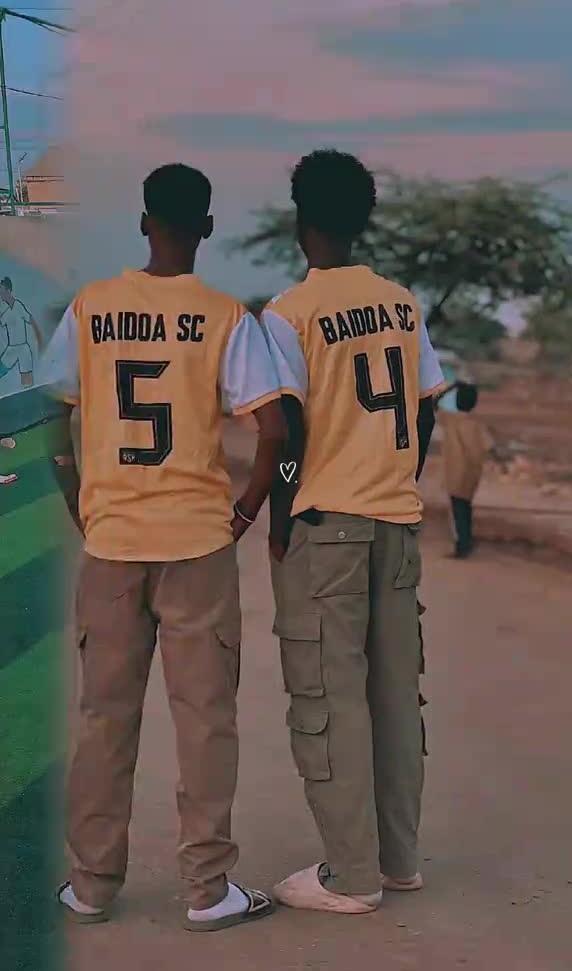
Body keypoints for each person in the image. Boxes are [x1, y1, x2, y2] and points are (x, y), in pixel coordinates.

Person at [41, 163, 286, 931]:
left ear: (144, 222)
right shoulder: (224, 317)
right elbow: (275, 432)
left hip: (112, 542)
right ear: (207, 228)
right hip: (198, 545)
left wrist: (80, 499)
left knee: (104, 718)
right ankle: (208, 890)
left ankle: (91, 885)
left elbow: (53, 412)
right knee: (206, 719)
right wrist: (244, 514)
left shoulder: (91, 307)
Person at [260, 149, 445, 915]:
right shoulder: (401, 304)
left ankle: (352, 876)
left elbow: (286, 433)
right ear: (364, 219)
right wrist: (396, 474)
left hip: (327, 524)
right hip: (396, 522)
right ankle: (399, 862)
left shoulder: (289, 313)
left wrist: (280, 518)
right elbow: (426, 407)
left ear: (300, 222)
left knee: (331, 698)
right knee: (396, 696)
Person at [435, 381, 494, 559]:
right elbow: (490, 447)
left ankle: (462, 546)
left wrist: (451, 387)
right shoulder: (478, 425)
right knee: (465, 507)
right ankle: (467, 542)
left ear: (456, 401)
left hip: (454, 472)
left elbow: (432, 404)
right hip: (472, 474)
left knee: (457, 511)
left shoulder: (450, 419)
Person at [0, 277, 42, 388]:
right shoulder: (6, 313)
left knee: (27, 380)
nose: (0, 293)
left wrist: (39, 336)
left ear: (8, 290)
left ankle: (28, 390)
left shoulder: (18, 306)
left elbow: (31, 320)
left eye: (2, 290)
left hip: (23, 348)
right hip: (11, 349)